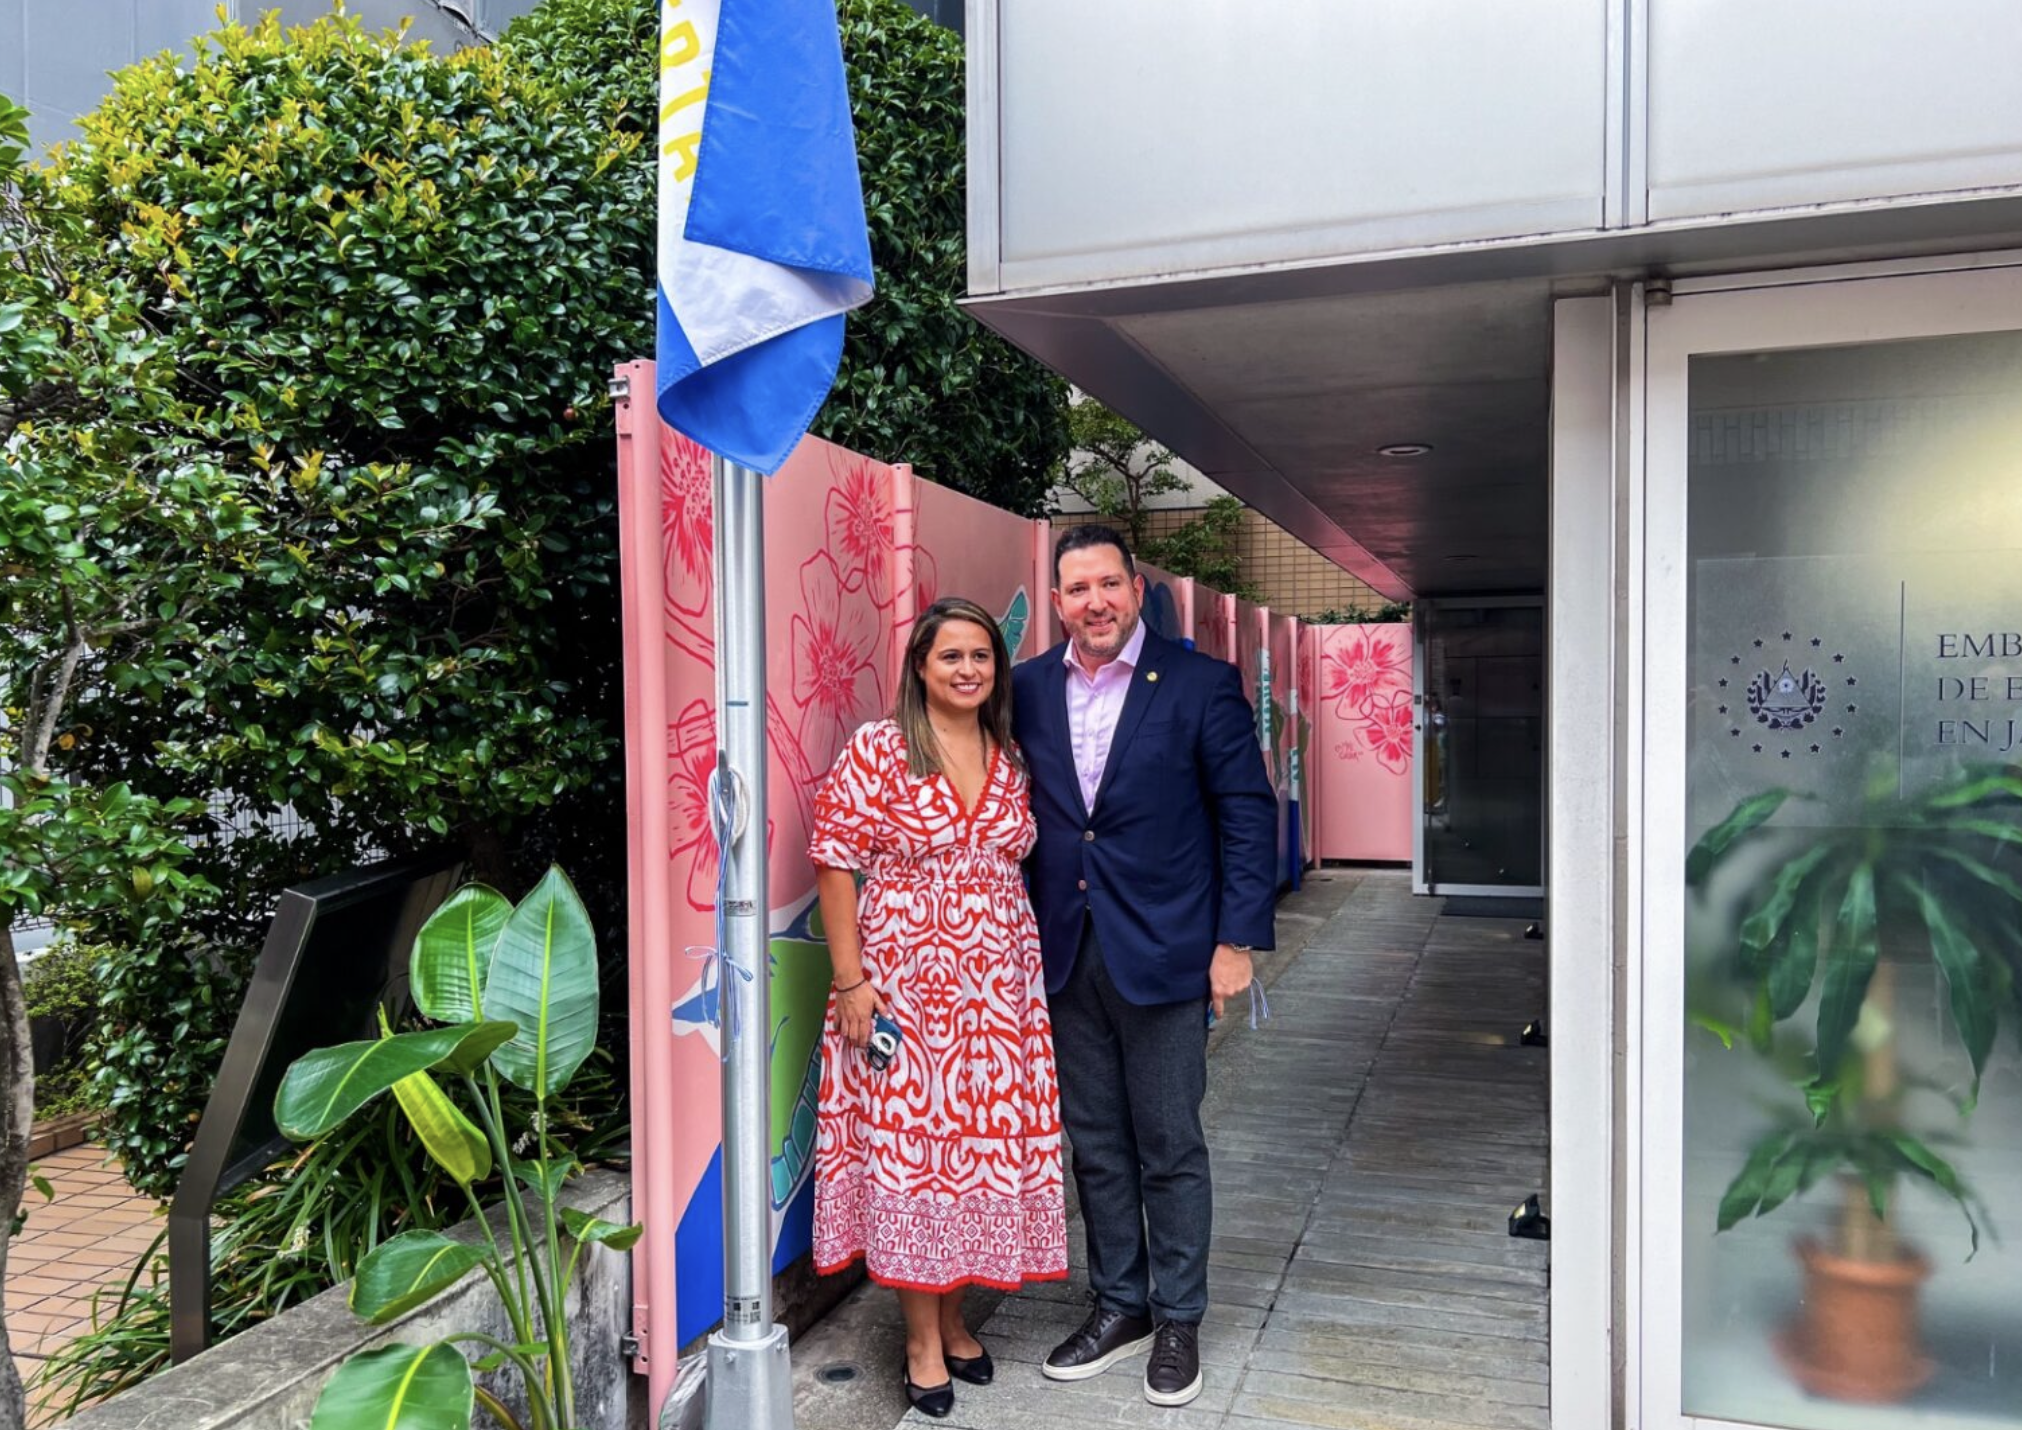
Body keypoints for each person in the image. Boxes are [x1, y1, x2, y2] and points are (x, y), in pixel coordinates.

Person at [1012, 526, 1276, 1408]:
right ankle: (1119, 1305)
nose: (1095, 602)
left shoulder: (1200, 683)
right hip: (1064, 950)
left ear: (1135, 587)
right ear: (1058, 602)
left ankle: (1179, 1319)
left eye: (1109, 584)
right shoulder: (1026, 689)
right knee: (1095, 1144)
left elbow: (1246, 813)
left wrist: (1236, 942)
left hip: (1167, 950)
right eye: (1077, 589)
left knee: (1168, 1141)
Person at [807, 596, 1068, 1420]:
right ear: (920, 666)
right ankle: (921, 1340)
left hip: (998, 999)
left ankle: (955, 1320)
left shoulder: (1011, 754)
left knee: (977, 1155)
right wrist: (851, 982)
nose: (968, 669)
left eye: (981, 656)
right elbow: (834, 861)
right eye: (950, 655)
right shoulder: (880, 748)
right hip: (904, 991)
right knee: (914, 1159)